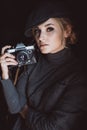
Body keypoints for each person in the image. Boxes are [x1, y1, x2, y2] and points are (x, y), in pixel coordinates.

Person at [0, 1, 87, 130]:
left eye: (49, 29)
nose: (40, 37)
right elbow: (14, 107)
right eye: (37, 31)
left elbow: (53, 127)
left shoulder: (79, 76)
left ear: (67, 30)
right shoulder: (32, 60)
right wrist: (5, 75)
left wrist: (25, 110)